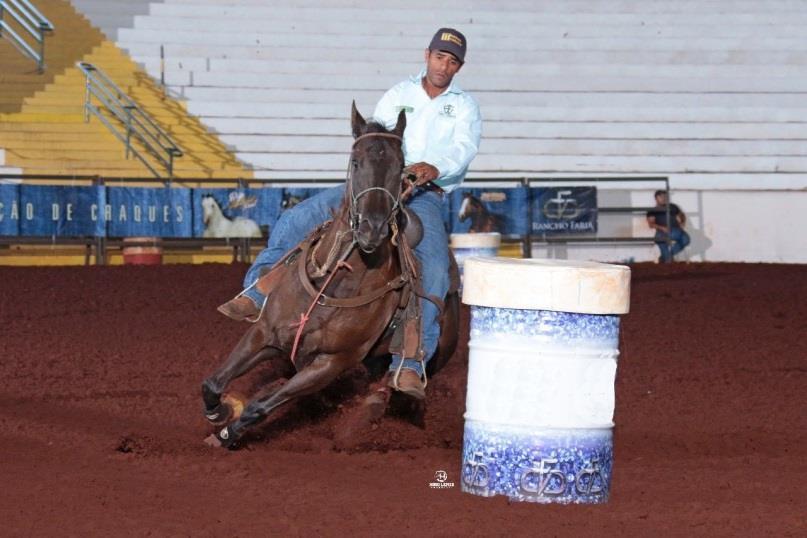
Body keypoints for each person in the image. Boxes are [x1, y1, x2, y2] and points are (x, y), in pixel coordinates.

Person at [217, 28, 482, 400]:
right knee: (296, 220)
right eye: (440, 56)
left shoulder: (465, 106)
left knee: (435, 268)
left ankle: (409, 362)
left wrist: (434, 167)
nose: (444, 65)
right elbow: (376, 138)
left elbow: (464, 148)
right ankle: (256, 293)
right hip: (377, 186)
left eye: (452, 61)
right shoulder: (398, 94)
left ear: (459, 67)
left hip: (424, 194)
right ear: (427, 56)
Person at [646, 190, 690, 262]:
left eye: (664, 196)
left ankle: (666, 256)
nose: (663, 198)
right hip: (662, 232)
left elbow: (681, 215)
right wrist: (662, 228)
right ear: (656, 198)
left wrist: (682, 223)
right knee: (659, 239)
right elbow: (651, 224)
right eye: (660, 196)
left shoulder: (673, 207)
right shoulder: (652, 210)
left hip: (675, 230)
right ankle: (666, 258)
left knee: (686, 240)